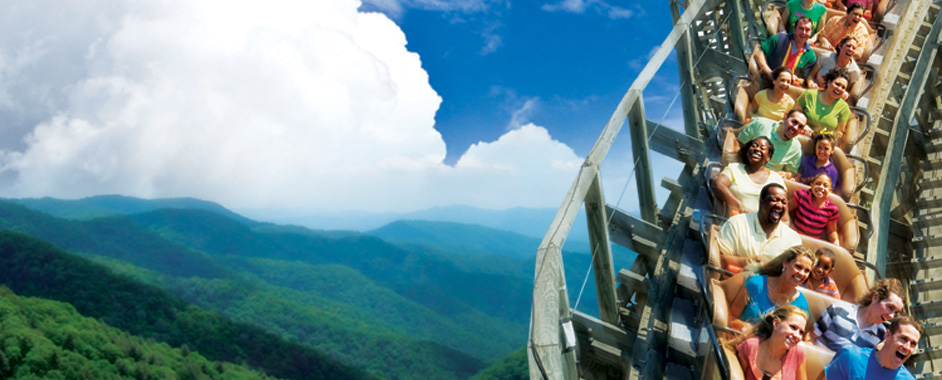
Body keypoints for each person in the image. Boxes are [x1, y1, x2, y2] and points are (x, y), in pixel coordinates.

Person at [718, 183, 804, 268]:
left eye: (783, 202)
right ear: (761, 202)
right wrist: (751, 262)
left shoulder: (793, 239)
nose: (779, 205)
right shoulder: (737, 223)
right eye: (774, 200)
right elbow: (719, 259)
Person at [726, 246, 814, 329]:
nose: (802, 273)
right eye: (798, 267)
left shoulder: (801, 304)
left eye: (807, 271)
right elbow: (730, 318)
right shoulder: (756, 283)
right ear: (785, 263)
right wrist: (747, 328)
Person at [810, 278, 906, 352]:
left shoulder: (881, 335)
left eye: (895, 312)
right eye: (890, 307)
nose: (891, 316)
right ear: (875, 298)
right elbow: (811, 337)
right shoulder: (838, 309)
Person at [824, 315, 922, 379]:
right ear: (887, 335)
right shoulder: (850, 358)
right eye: (903, 339)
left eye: (913, 344)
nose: (907, 347)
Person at [731, 305, 809, 380]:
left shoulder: (798, 354)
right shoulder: (749, 347)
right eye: (793, 327)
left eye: (801, 332)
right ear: (776, 324)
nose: (797, 335)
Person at [715, 137, 788, 216]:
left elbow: (783, 212)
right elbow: (718, 184)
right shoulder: (734, 168)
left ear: (768, 157)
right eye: (754, 146)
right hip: (736, 219)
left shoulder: (776, 178)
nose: (757, 149)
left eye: (762, 148)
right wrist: (738, 205)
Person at [795, 68, 853, 148]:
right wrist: (803, 126)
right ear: (829, 82)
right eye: (837, 84)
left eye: (843, 88)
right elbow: (794, 114)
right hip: (799, 136)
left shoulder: (844, 108)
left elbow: (839, 134)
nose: (839, 88)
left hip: (822, 146)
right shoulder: (809, 94)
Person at [738, 109, 807, 174]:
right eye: (794, 122)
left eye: (800, 127)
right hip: (744, 168)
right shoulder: (760, 124)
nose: (795, 128)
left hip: (769, 179)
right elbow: (739, 143)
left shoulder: (796, 148)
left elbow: (792, 172)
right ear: (785, 118)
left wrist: (785, 174)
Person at [757, 17, 817, 87]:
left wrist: (795, 79)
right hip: (767, 81)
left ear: (811, 32)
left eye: (807, 30)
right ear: (794, 29)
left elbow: (805, 79)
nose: (803, 32)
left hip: (788, 89)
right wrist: (769, 72)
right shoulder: (779, 38)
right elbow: (759, 54)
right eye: (801, 28)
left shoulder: (811, 56)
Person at [789, 173, 841, 245]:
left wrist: (835, 242)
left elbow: (831, 231)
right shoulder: (802, 195)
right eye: (818, 184)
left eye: (825, 185)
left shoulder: (831, 209)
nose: (821, 187)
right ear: (812, 185)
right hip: (795, 237)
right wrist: (789, 225)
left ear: (830, 190)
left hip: (812, 243)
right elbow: (786, 208)